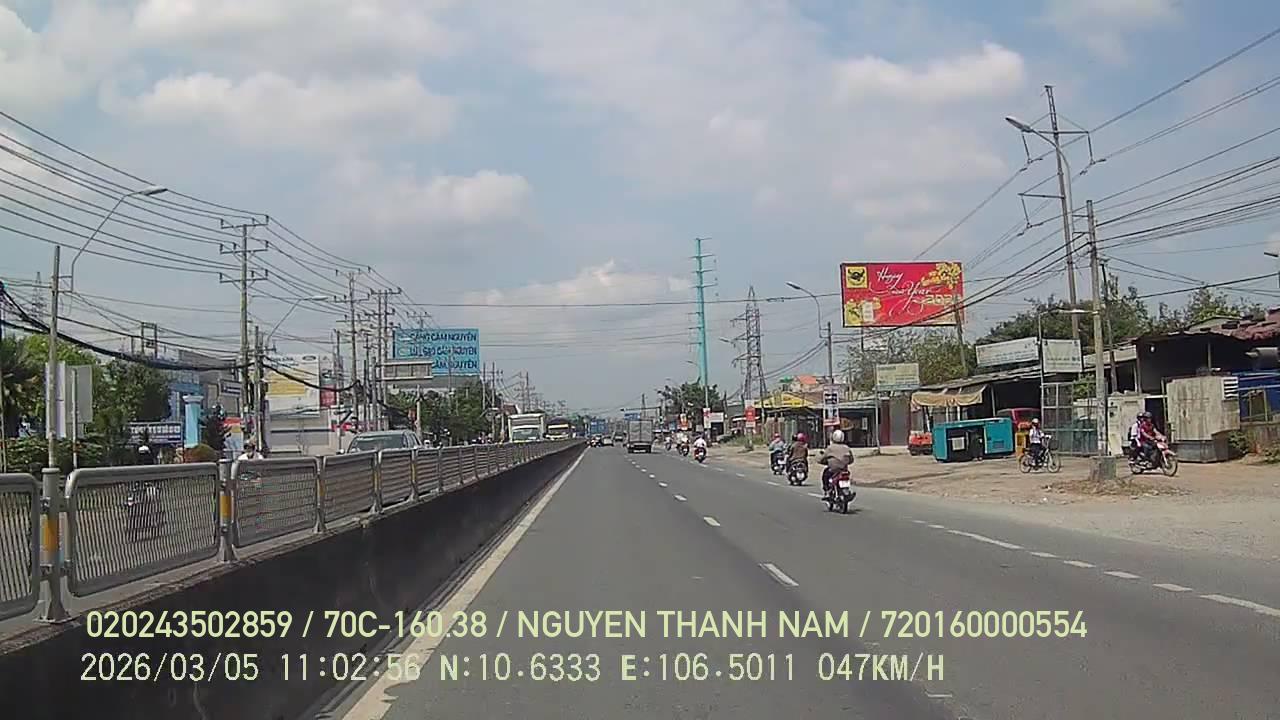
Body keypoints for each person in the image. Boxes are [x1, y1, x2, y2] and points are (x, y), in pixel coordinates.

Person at [818, 429, 855, 493]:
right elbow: (851, 460)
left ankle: (826, 489)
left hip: (833, 470)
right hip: (844, 470)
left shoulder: (830, 448)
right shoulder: (846, 448)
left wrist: (820, 460)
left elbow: (822, 458)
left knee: (825, 475)